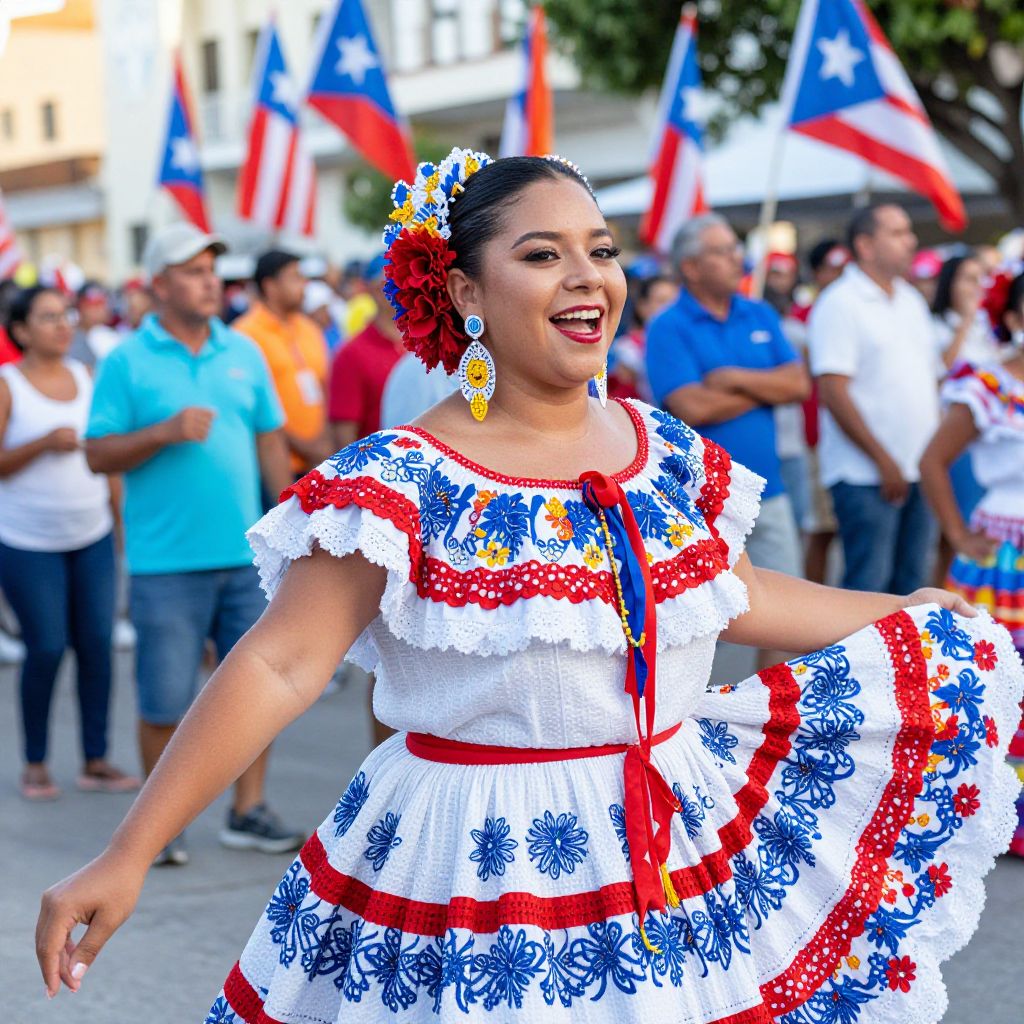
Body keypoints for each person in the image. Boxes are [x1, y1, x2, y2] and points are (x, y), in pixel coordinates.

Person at [36, 153, 1022, 1024]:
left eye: (601, 250)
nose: (588, 275)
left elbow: (736, 591)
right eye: (544, 254)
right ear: (465, 290)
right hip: (480, 865)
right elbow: (280, 663)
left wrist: (900, 611)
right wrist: (129, 852)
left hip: (670, 837)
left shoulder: (659, 446)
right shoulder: (402, 479)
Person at [82, 222, 303, 866]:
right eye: (193, 271)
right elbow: (97, 453)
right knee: (164, 700)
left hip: (246, 559)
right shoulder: (126, 360)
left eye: (212, 270)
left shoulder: (243, 351)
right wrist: (163, 431)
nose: (210, 282)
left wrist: (291, 524)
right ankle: (161, 827)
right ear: (158, 285)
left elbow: (270, 439)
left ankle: (247, 811)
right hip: (166, 564)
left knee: (258, 693)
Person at [646, 212, 810, 666]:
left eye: (736, 248)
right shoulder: (668, 326)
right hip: (702, 502)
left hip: (768, 490)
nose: (739, 258)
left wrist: (733, 378)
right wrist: (765, 390)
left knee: (787, 615)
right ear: (691, 267)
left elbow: (798, 385)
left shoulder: (758, 312)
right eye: (723, 251)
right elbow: (692, 407)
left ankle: (775, 701)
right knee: (722, 626)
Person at [0, 286, 138, 800]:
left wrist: (119, 524)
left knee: (97, 646)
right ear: (20, 331)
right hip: (27, 542)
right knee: (46, 646)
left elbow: (108, 455)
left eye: (66, 315)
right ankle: (35, 762)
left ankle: (95, 759)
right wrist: (41, 443)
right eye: (48, 317)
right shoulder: (9, 385)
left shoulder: (87, 377)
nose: (63, 326)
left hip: (91, 534)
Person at [920, 270, 1024, 858]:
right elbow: (932, 461)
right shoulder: (987, 386)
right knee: (995, 682)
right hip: (1004, 556)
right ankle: (987, 813)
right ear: (1011, 318)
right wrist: (958, 534)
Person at [809, 205, 940, 595]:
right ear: (865, 245)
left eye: (908, 231)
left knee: (913, 587)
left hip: (918, 470)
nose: (911, 241)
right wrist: (883, 460)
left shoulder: (911, 300)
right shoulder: (840, 302)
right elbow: (833, 390)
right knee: (869, 589)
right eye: (898, 233)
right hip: (865, 475)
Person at [233, 250, 332, 476]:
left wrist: (322, 443)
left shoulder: (310, 329)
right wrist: (303, 447)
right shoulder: (245, 335)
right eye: (295, 277)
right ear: (270, 286)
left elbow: (323, 388)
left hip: (318, 463)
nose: (304, 285)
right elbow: (254, 409)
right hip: (273, 468)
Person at [792, 240, 849, 584]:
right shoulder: (801, 319)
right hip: (817, 435)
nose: (840, 275)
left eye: (844, 268)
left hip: (853, 439)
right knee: (822, 528)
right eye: (832, 268)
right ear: (816, 273)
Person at [328, 253, 406, 450]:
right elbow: (345, 440)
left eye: (404, 279)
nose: (399, 289)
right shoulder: (351, 354)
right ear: (370, 289)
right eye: (387, 283)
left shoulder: (427, 345)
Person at [607, 273, 678, 402]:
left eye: (675, 302)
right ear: (642, 307)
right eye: (662, 301)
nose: (670, 309)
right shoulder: (626, 350)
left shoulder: (686, 342)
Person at [69, 282, 119, 369]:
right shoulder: (67, 337)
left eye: (102, 303)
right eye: (93, 304)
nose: (98, 310)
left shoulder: (112, 338)